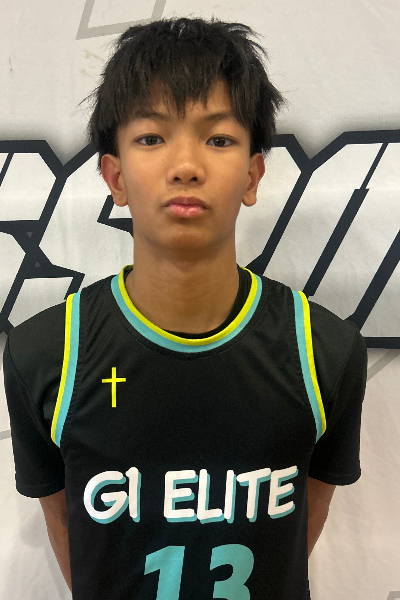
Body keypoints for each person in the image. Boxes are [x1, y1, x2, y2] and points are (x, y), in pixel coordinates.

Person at [3, 15, 367, 600]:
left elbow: (299, 529)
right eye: (152, 137)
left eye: (218, 139)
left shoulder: (324, 351)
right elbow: (68, 529)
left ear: (253, 174)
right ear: (115, 177)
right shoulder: (45, 354)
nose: (186, 166)